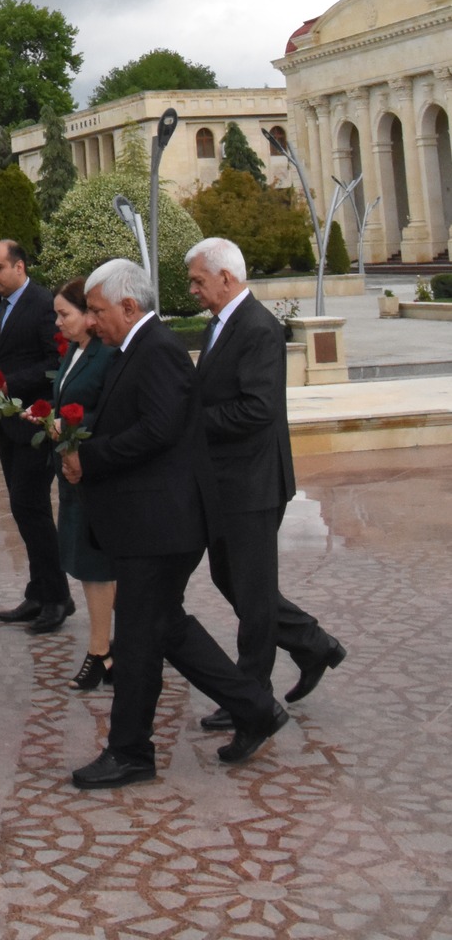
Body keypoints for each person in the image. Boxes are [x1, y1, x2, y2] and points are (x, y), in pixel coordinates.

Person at [61, 257, 287, 787]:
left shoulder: (156, 349)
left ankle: (131, 752)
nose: (90, 321)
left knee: (139, 639)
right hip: (151, 523)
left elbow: (159, 430)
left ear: (128, 306)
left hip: (161, 524)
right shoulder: (132, 346)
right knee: (164, 627)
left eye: (96, 311)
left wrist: (90, 458)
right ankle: (255, 707)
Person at [188, 236, 346, 725]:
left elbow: (257, 409)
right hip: (226, 481)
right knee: (231, 579)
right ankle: (313, 644)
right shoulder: (220, 323)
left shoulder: (258, 328)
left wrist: (189, 422)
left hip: (253, 481)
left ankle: (251, 696)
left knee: (252, 591)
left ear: (225, 278)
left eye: (197, 280)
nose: (192, 290)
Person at [0, 240, 70, 634]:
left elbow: (57, 362)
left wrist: (10, 383)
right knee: (23, 508)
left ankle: (57, 598)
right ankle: (39, 591)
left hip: (36, 423)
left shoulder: (44, 305)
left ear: (19, 267)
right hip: (6, 423)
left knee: (31, 506)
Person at [45, 278, 116, 691]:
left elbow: (111, 411)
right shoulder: (75, 350)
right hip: (72, 471)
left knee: (97, 565)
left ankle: (100, 652)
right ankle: (112, 648)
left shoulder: (106, 354)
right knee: (87, 562)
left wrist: (72, 424)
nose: (58, 323)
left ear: (89, 314)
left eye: (64, 314)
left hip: (95, 471)